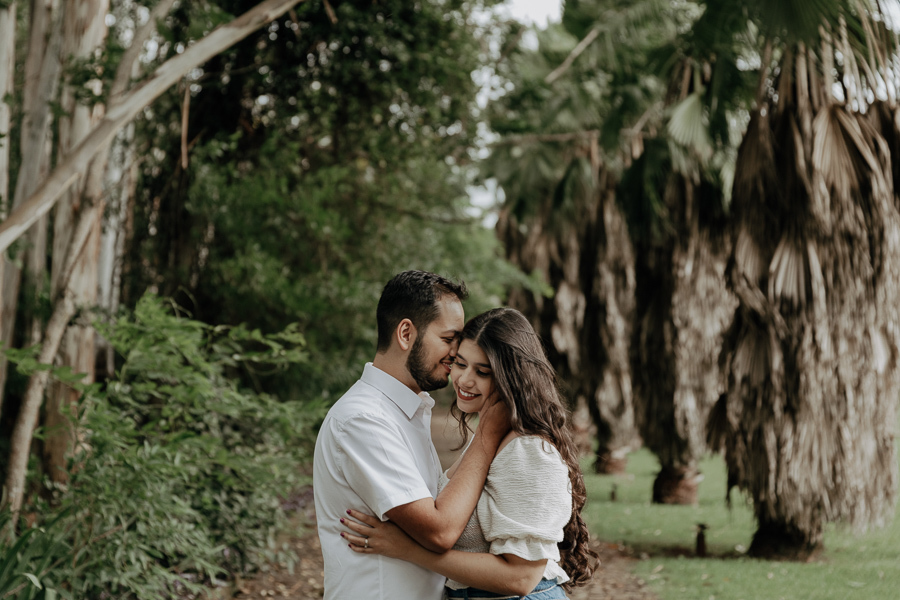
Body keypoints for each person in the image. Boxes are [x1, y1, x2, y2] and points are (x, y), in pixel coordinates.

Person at [341, 307, 598, 599]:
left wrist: (408, 549)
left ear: (512, 378)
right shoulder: (490, 438)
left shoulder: (527, 450)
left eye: (482, 372)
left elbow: (521, 577)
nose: (464, 380)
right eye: (460, 364)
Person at [313, 271, 511, 600]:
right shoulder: (363, 420)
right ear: (406, 333)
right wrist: (488, 433)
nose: (456, 353)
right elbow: (440, 530)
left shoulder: (407, 411)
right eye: (449, 338)